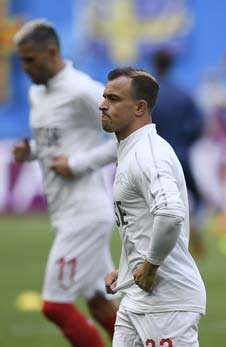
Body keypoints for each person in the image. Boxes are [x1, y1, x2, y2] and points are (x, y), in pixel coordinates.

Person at [12, 19, 118, 347]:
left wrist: (77, 164)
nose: (25, 68)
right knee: (100, 303)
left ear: (53, 52)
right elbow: (55, 144)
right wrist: (31, 152)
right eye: (21, 60)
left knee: (55, 306)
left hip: (85, 214)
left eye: (30, 60)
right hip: (67, 213)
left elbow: (128, 136)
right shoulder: (36, 93)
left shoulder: (81, 89)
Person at [100, 67, 206, 346]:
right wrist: (126, 269)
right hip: (137, 298)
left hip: (167, 301)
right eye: (104, 97)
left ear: (139, 107)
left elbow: (170, 214)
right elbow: (140, 224)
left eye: (113, 98)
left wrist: (150, 266)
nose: (103, 104)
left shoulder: (149, 154)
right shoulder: (131, 151)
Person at [151, 49, 205, 257]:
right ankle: (194, 227)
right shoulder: (183, 93)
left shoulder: (149, 96)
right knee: (194, 196)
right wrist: (186, 141)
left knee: (157, 200)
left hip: (155, 157)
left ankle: (165, 244)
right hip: (181, 154)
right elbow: (198, 125)